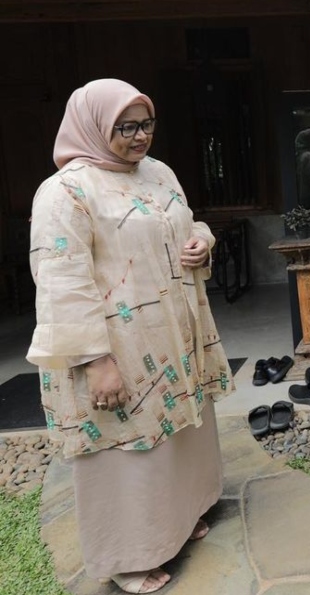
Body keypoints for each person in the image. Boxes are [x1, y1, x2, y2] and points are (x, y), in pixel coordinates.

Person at [27, 78, 234, 594]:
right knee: (124, 449)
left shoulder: (158, 173)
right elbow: (61, 281)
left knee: (175, 438)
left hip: (170, 333)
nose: (140, 137)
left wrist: (201, 242)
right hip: (114, 345)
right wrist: (95, 362)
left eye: (146, 125)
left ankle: (177, 525)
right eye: (125, 128)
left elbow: (185, 225)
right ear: (95, 125)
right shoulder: (66, 191)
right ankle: (128, 556)